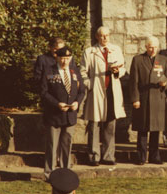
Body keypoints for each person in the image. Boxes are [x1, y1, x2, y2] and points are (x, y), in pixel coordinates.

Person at [80, 26, 127, 166]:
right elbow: (83, 72)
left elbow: (123, 68)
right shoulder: (89, 52)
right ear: (97, 37)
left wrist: (118, 71)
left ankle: (108, 155)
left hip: (112, 90)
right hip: (96, 91)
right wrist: (90, 85)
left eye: (107, 35)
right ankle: (94, 156)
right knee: (94, 124)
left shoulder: (116, 50)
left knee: (110, 125)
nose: (105, 38)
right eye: (102, 36)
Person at [41, 46, 85, 179]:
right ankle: (50, 173)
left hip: (70, 115)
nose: (65, 61)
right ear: (57, 58)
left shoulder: (74, 71)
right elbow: (44, 92)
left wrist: (77, 102)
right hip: (54, 115)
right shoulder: (49, 71)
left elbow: (82, 91)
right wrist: (57, 104)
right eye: (62, 58)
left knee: (67, 145)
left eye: (67, 58)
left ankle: (66, 173)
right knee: (52, 145)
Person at [129, 36, 167, 165]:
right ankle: (141, 156)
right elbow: (133, 82)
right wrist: (135, 99)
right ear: (146, 47)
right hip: (143, 97)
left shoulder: (163, 60)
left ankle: (154, 155)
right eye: (150, 47)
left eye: (155, 47)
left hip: (158, 97)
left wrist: (166, 83)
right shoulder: (138, 60)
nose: (153, 50)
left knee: (155, 129)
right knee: (142, 129)